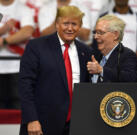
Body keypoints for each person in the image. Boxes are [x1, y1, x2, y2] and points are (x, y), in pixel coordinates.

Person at [19, 6, 92, 135]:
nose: (70, 28)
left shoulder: (85, 51)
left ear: (80, 26)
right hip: (41, 124)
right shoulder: (36, 46)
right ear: (57, 24)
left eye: (74, 24)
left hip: (75, 125)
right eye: (66, 23)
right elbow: (25, 86)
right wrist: (31, 119)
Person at [0, 0, 34, 109]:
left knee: (18, 108)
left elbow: (27, 32)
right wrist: (3, 30)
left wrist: (4, 41)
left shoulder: (23, 9)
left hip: (18, 67)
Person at [87, 15, 137, 83]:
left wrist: (101, 71)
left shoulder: (127, 55)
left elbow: (130, 79)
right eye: (95, 32)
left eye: (100, 33)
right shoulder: (95, 55)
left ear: (115, 35)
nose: (96, 36)